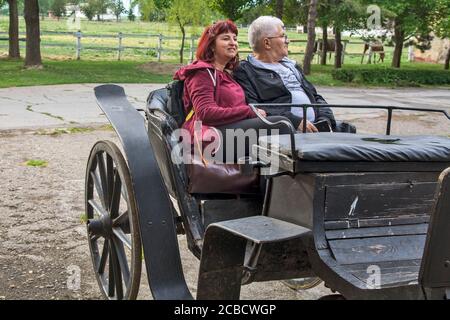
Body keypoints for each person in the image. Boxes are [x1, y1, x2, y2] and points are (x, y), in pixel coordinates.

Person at [174, 19, 294, 162]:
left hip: (229, 129)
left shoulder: (226, 74)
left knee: (280, 125)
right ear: (211, 45)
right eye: (226, 39)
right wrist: (248, 111)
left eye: (235, 39)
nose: (233, 43)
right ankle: (277, 182)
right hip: (210, 137)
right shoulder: (202, 72)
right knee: (281, 125)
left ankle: (269, 179)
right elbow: (205, 113)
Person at [234, 16, 336, 133]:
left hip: (317, 129)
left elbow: (316, 97)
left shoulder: (291, 66)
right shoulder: (246, 70)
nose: (288, 40)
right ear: (267, 43)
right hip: (284, 132)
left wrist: (326, 119)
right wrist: (293, 121)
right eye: (282, 36)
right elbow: (254, 107)